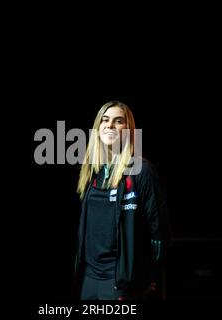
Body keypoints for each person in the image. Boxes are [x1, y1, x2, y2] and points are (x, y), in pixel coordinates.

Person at [73, 101, 171, 300]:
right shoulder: (91, 173)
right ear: (98, 128)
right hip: (89, 280)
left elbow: (159, 234)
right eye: (105, 120)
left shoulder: (141, 171)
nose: (110, 126)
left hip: (120, 283)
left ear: (128, 130)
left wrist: (144, 277)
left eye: (118, 121)